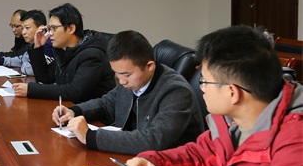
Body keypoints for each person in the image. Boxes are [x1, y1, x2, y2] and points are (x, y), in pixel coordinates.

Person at [120, 25, 302, 166]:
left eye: (204, 81)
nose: (202, 88)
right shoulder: (234, 121)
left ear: (232, 93)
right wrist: (152, 161)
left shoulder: (295, 142)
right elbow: (200, 156)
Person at [52, 30, 204, 154]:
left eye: (126, 74)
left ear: (150, 66)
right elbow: (106, 104)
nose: (121, 81)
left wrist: (90, 137)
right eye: (117, 74)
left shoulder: (176, 91)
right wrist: (74, 111)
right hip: (133, 158)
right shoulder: (133, 81)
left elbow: (154, 140)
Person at [19, 2, 114, 101]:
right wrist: (38, 47)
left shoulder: (92, 55)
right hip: (69, 107)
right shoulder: (64, 51)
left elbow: (75, 92)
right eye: (49, 28)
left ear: (71, 28)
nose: (50, 33)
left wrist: (31, 89)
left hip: (89, 110)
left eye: (54, 28)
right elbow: (45, 79)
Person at [0, 9, 50, 76]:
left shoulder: (49, 45)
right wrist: (0, 60)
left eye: (27, 28)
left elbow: (33, 70)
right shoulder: (34, 43)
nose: (23, 32)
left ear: (41, 29)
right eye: (23, 28)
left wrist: (24, 66)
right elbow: (22, 59)